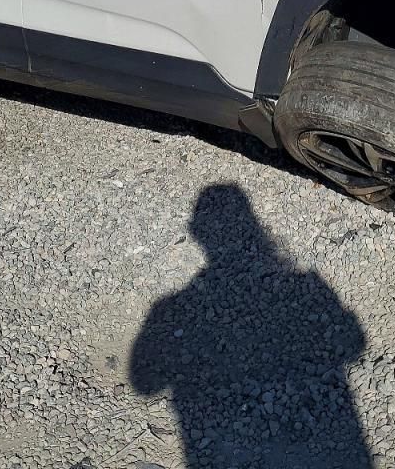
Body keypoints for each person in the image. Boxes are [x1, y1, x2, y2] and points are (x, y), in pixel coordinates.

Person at [130, 184, 372, 468]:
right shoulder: (309, 284)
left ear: (196, 232)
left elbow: (143, 383)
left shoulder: (169, 306)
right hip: (343, 440)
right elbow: (356, 342)